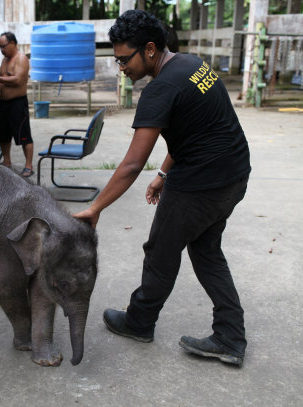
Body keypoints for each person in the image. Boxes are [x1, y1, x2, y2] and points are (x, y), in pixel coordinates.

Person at [74, 10, 251, 367]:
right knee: (206, 251)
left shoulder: (160, 90)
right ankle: (231, 336)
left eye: (124, 59)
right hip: (233, 175)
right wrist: (164, 174)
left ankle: (139, 322)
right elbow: (192, 131)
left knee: (160, 253)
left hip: (201, 185)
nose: (121, 67)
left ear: (150, 50)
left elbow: (130, 164)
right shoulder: (191, 65)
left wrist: (95, 208)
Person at [0, 32, 34, 177]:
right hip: (4, 103)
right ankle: (7, 162)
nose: (2, 50)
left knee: (24, 135)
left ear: (13, 44)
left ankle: (28, 165)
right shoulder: (5, 60)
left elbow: (17, 80)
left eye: (4, 46)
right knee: (3, 134)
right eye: (0, 47)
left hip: (17, 103)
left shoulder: (21, 59)